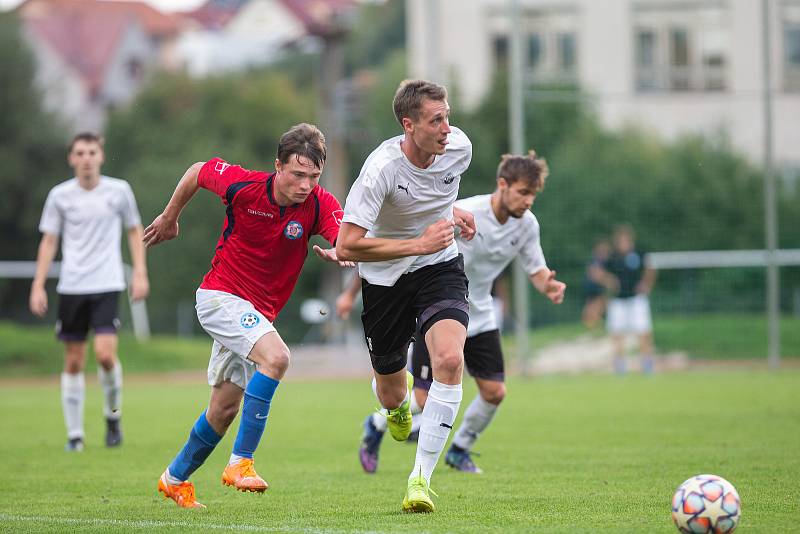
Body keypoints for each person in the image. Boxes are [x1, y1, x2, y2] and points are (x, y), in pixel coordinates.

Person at [144, 123, 350, 509]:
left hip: (255, 313)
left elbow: (344, 236)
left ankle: (174, 479)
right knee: (278, 357)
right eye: (298, 174)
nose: (306, 184)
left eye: (314, 176)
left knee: (222, 410)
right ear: (278, 166)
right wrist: (170, 216)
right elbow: (197, 170)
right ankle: (241, 462)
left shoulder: (320, 203)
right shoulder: (244, 186)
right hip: (219, 297)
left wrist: (345, 250)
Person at [355, 150, 566, 475]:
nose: (528, 202)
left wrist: (549, 286)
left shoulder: (527, 226)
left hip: (479, 313)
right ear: (502, 185)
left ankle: (460, 449)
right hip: (439, 308)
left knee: (495, 392)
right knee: (424, 399)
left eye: (533, 195)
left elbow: (537, 270)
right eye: (523, 192)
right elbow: (413, 238)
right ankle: (378, 424)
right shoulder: (467, 211)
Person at [335, 79, 476, 513]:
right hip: (384, 279)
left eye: (448, 116)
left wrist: (452, 214)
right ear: (408, 124)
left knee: (451, 360)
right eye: (436, 120)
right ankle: (394, 408)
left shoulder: (459, 148)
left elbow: (431, 199)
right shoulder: (380, 169)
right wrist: (418, 243)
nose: (446, 128)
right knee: (393, 393)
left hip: (440, 267)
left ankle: (420, 481)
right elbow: (347, 246)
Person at [29, 132, 149, 452]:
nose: (86, 158)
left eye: (91, 152)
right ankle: (75, 435)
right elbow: (49, 240)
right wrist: (39, 283)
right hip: (72, 287)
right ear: (71, 158)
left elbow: (135, 231)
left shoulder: (119, 191)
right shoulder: (60, 196)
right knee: (73, 362)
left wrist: (140, 273)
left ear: (101, 156)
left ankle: (113, 416)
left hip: (107, 283)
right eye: (79, 153)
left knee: (106, 356)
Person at [596, 224, 657, 374]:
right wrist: (608, 279)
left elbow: (651, 269)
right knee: (617, 334)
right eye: (621, 240)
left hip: (637, 300)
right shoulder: (612, 257)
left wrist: (646, 284)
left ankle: (647, 366)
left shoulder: (639, 255)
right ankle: (620, 368)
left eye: (626, 240)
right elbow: (596, 272)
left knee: (644, 332)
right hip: (618, 301)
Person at [581, 238, 611, 329]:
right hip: (594, 286)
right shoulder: (596, 261)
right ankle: (591, 323)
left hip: (593, 286)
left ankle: (593, 322)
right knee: (595, 305)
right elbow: (596, 273)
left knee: (596, 305)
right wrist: (607, 281)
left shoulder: (597, 260)